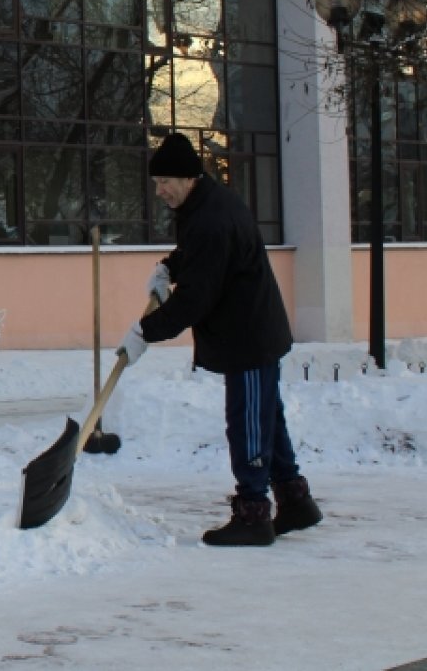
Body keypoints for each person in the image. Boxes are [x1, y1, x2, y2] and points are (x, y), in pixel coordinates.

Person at [118, 132, 322, 547]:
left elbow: (196, 297)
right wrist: (169, 266)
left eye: (163, 182)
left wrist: (146, 331)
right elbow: (199, 258)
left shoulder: (211, 217)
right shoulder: (205, 205)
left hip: (246, 335)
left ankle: (253, 513)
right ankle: (295, 501)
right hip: (251, 328)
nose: (158, 191)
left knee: (247, 420)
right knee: (267, 417)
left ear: (188, 177)